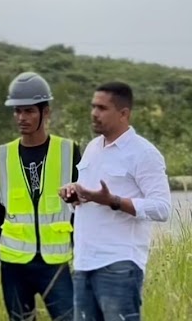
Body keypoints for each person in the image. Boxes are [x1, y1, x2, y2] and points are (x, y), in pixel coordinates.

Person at [59, 82, 171, 321]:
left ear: (124, 113)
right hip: (84, 262)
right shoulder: (92, 148)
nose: (94, 113)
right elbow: (90, 196)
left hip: (119, 264)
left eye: (102, 108)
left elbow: (162, 208)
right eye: (93, 107)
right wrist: (74, 195)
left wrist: (114, 201)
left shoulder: (144, 153)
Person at [0, 72, 81, 321]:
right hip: (14, 265)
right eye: (17, 112)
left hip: (56, 264)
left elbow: (83, 211)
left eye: (28, 111)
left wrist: (84, 261)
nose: (21, 118)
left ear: (45, 112)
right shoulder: (2, 155)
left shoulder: (69, 150)